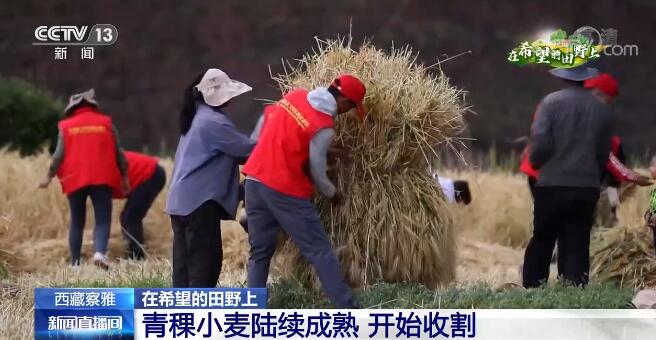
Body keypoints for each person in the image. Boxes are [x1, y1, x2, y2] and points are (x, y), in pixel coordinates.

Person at [242, 74, 366, 308]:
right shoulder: (324, 126)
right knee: (319, 251)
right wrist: (332, 194)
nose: (347, 113)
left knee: (259, 253)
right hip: (284, 190)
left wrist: (330, 152)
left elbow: (283, 135)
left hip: (254, 181)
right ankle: (347, 308)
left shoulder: (294, 96)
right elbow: (318, 172)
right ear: (345, 102)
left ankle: (253, 311)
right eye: (350, 108)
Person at [522, 66, 614, 288]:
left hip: (551, 184)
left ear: (563, 77)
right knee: (577, 241)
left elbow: (541, 141)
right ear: (586, 80)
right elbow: (604, 152)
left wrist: (536, 161)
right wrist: (596, 175)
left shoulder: (550, 103)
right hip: (585, 186)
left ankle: (534, 289)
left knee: (543, 238)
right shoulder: (601, 109)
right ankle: (573, 291)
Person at [166, 68, 256, 288]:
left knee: (184, 266)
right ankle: (197, 314)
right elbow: (247, 149)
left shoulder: (197, 117)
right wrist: (281, 143)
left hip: (181, 202)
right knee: (204, 264)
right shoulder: (213, 122)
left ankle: (181, 314)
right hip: (199, 203)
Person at [38, 89, 129, 270]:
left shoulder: (66, 126)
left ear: (73, 108)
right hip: (102, 178)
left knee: (77, 221)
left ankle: (75, 262)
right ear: (92, 105)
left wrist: (48, 177)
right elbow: (119, 154)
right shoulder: (106, 123)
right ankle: (99, 253)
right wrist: (125, 178)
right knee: (102, 219)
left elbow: (58, 156)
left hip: (75, 179)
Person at [113, 151, 166, 260]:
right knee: (127, 216)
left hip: (151, 173)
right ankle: (131, 252)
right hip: (149, 172)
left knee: (130, 217)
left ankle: (137, 257)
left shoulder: (99, 174)